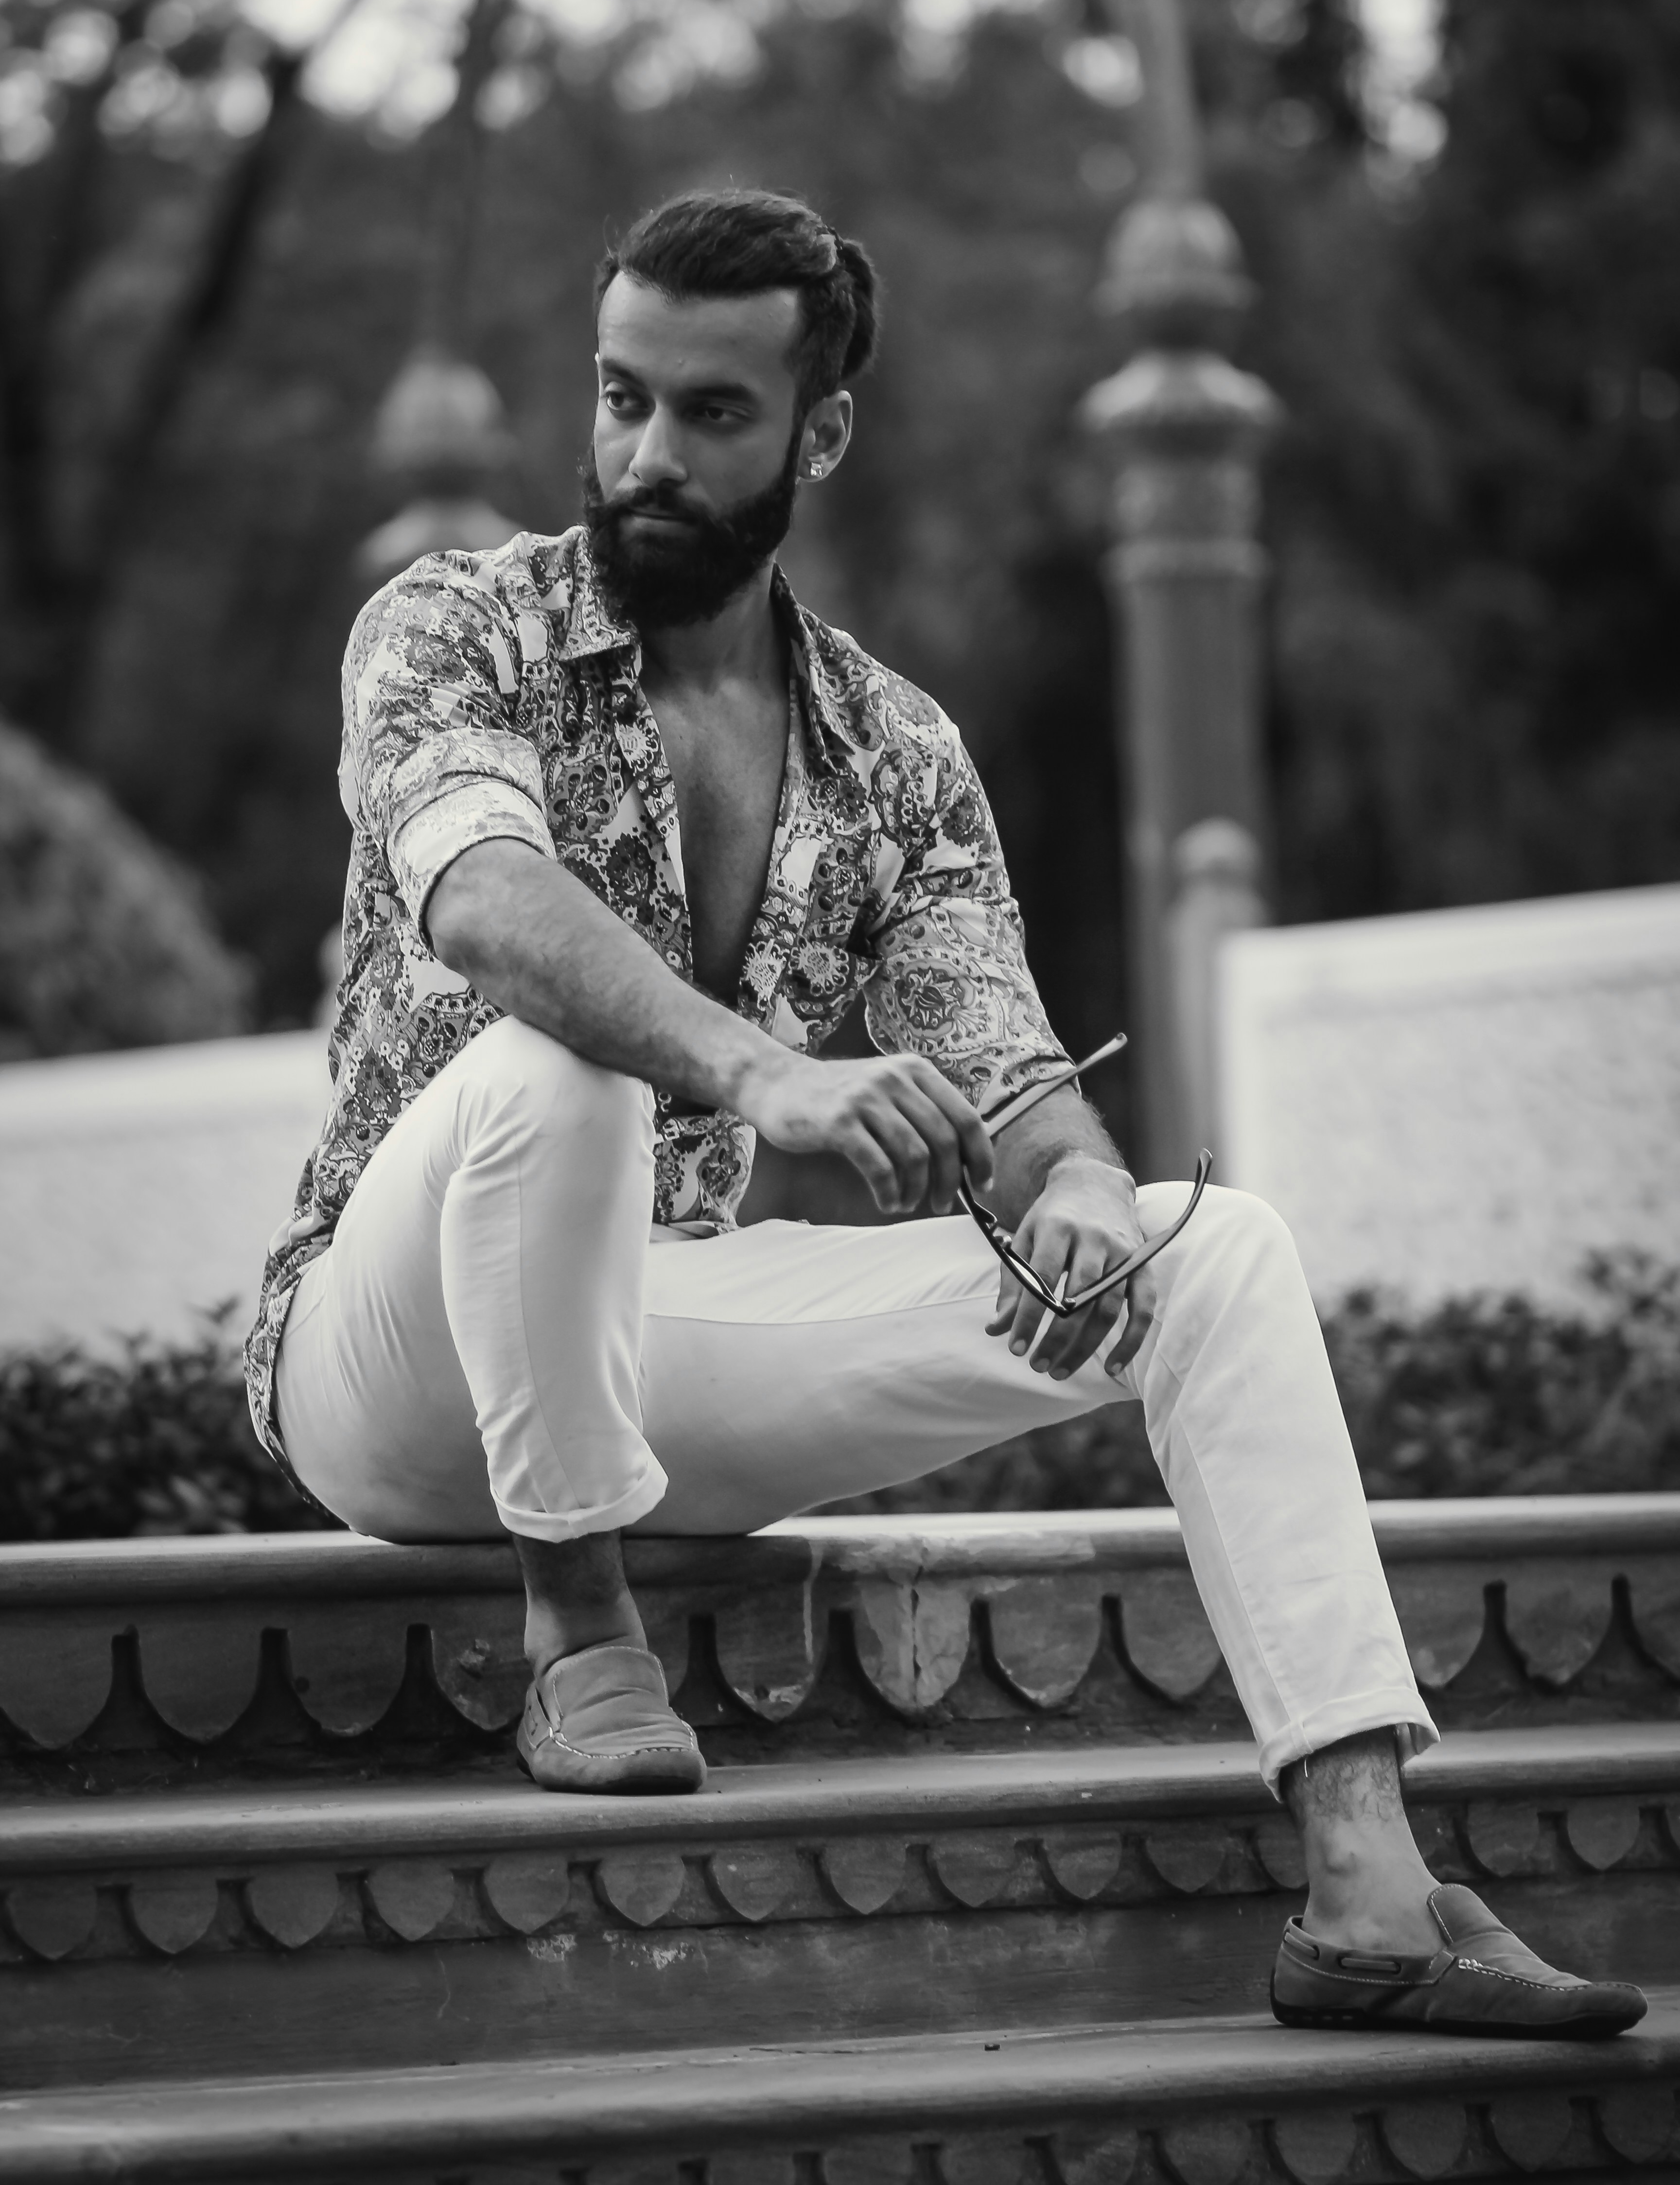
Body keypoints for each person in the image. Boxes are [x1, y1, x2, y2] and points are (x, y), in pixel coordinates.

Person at [245, 188, 1644, 2042]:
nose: (647, 455)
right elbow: (484, 895)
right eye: (620, 396)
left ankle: (1370, 1881)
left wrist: (1069, 1191)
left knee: (1210, 1251)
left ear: (820, 432)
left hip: (647, 1334)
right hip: (383, 1352)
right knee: (549, 1066)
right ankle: (579, 1630)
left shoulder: (893, 753)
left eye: (713, 414)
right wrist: (757, 1066)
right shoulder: (455, 626)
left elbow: (1014, 1068)